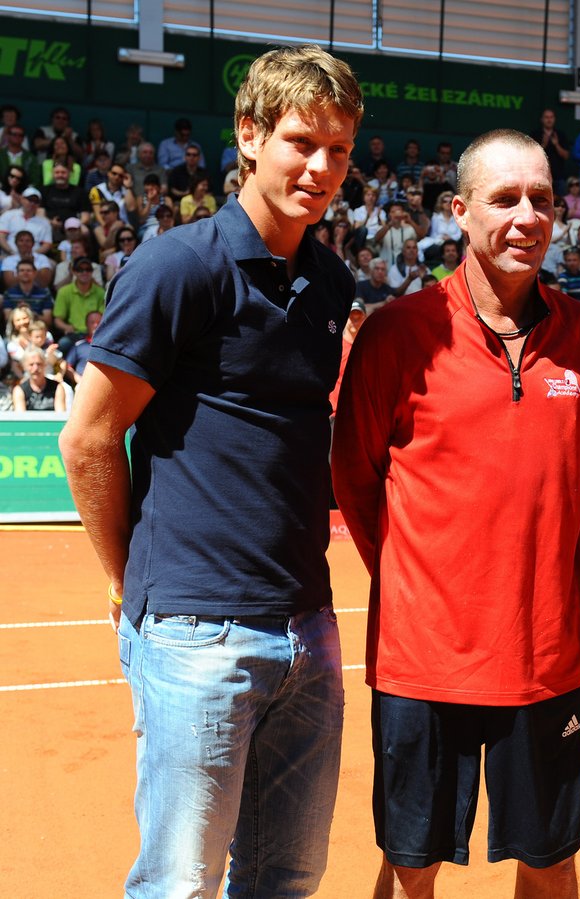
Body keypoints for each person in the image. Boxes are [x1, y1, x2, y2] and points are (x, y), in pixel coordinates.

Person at [58, 45, 363, 898]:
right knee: (180, 885)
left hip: (308, 626)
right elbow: (88, 439)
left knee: (286, 877)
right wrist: (131, 581)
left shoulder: (330, 281)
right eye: (303, 140)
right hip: (195, 631)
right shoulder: (177, 266)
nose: (321, 166)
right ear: (249, 134)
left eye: (339, 149)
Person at [331, 128, 580, 899]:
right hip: (423, 658)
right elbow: (355, 478)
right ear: (459, 210)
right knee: (411, 863)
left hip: (544, 655)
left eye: (543, 200)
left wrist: (556, 556)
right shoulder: (397, 333)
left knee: (552, 859)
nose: (527, 216)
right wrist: (421, 576)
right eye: (504, 198)